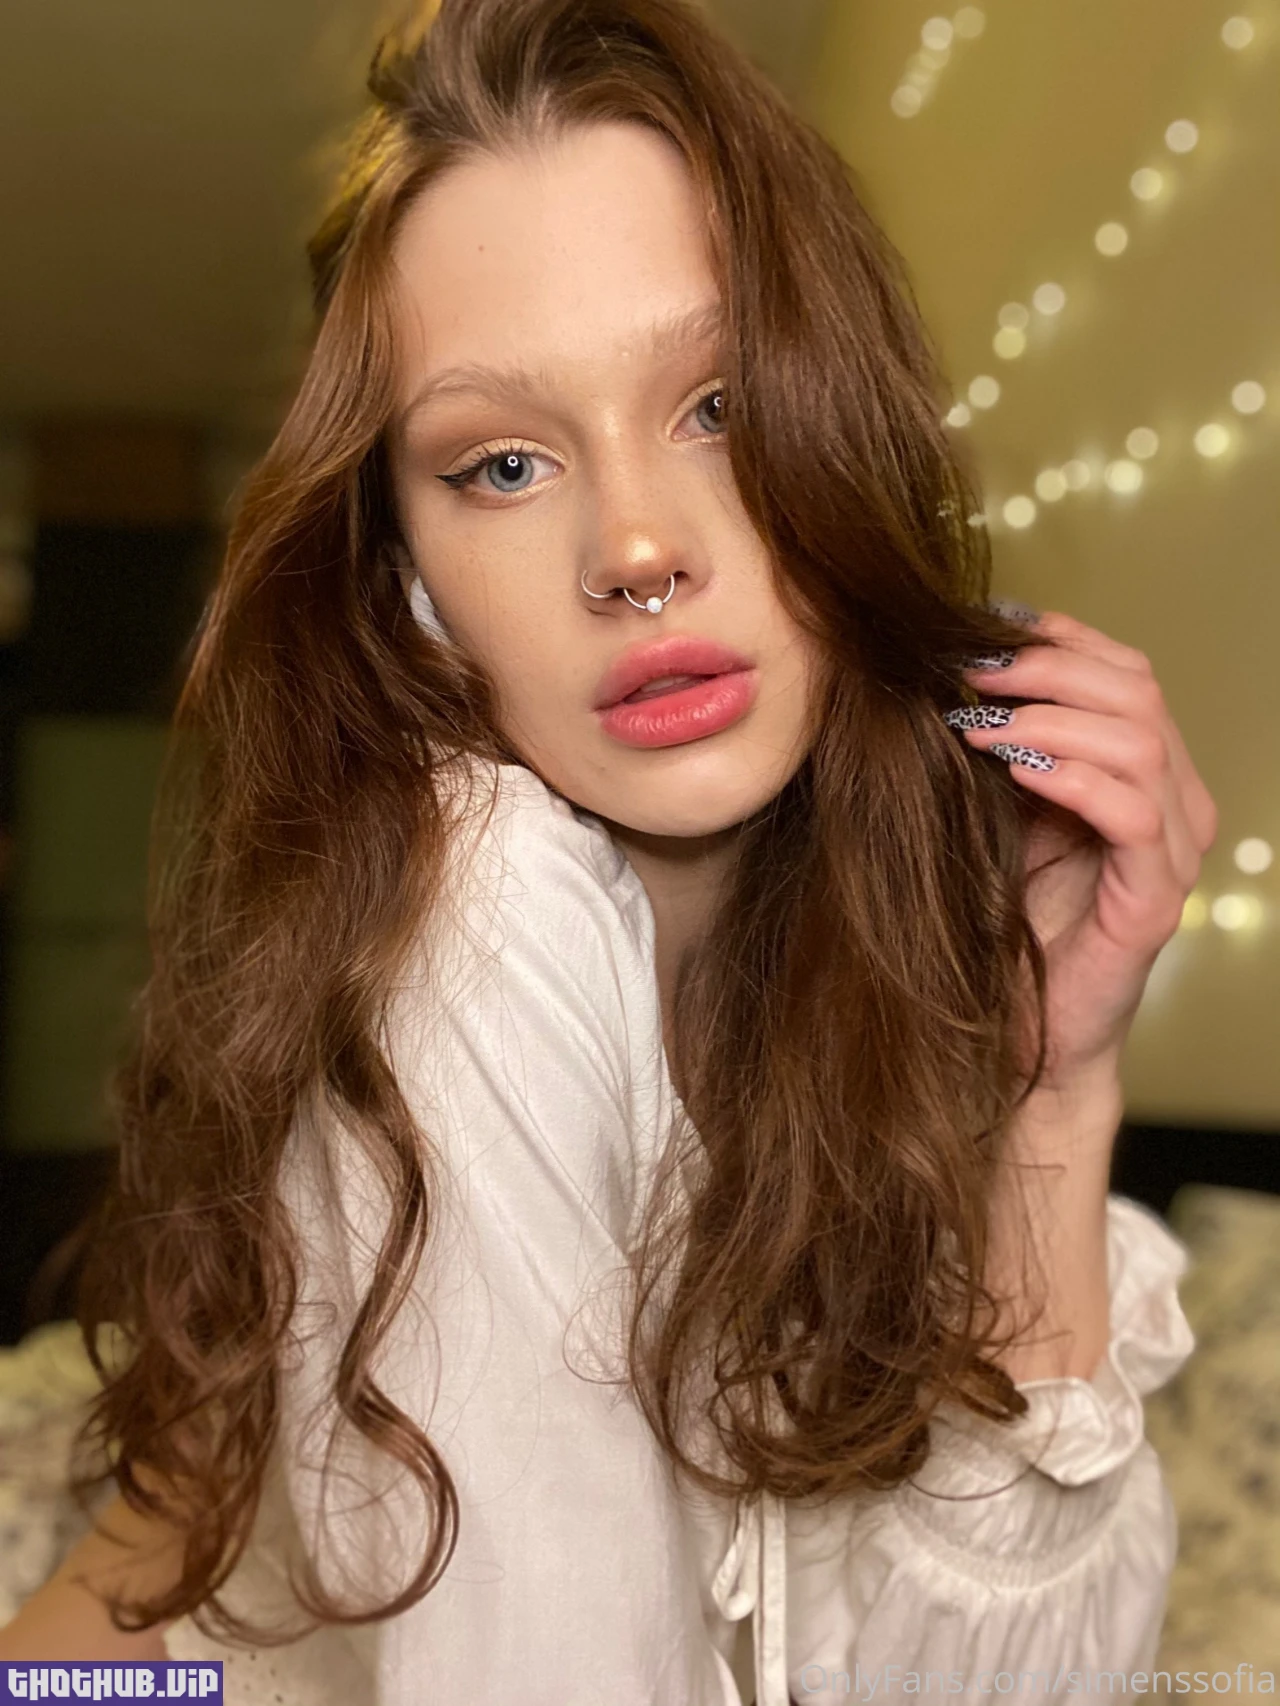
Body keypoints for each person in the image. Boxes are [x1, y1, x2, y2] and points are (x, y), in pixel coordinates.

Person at [0, 1, 1215, 1700]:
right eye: (501, 462)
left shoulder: (889, 953)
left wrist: (1054, 1096)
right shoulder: (473, 900)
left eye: (718, 405)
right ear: (409, 590)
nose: (637, 544)